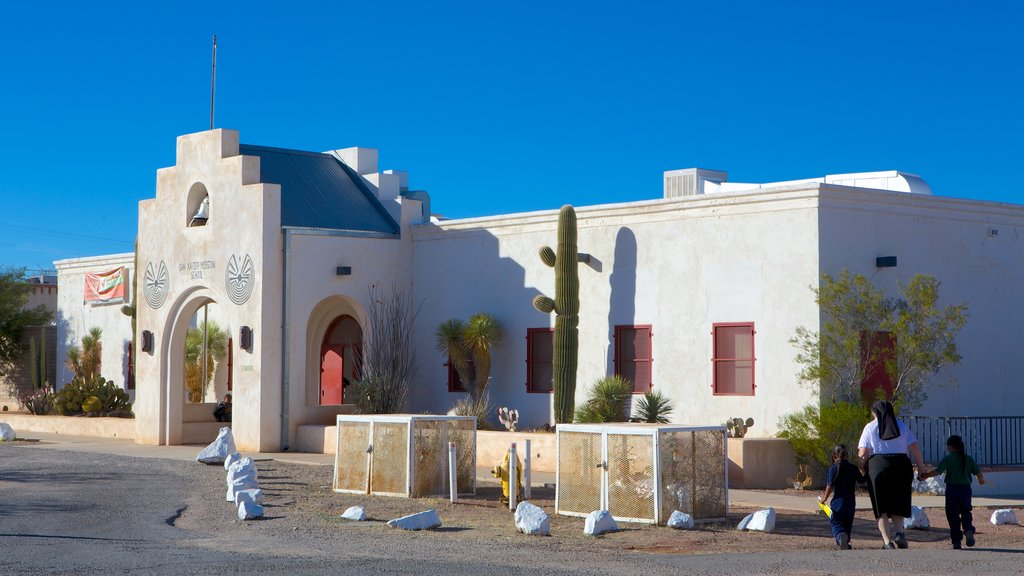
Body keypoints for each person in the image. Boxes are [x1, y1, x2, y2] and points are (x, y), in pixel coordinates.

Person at [857, 400, 926, 549]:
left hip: (878, 466)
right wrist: (921, 467)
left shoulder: (870, 427)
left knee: (880, 506)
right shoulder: (901, 425)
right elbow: (915, 448)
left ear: (875, 413)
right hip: (901, 465)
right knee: (898, 502)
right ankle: (900, 532)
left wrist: (862, 469)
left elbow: (863, 453)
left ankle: (887, 542)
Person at [919, 435, 986, 549]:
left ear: (950, 447)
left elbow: (937, 471)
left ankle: (956, 541)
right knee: (966, 511)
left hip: (952, 489)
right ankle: (968, 529)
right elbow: (978, 472)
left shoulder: (948, 459)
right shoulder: (968, 459)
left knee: (952, 514)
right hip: (965, 489)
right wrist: (981, 480)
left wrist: (925, 476)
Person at [819, 444, 865, 550]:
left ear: (835, 456)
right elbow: (862, 480)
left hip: (838, 501)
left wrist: (824, 499)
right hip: (851, 501)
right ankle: (845, 541)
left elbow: (829, 485)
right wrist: (865, 469)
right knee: (847, 522)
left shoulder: (833, 468)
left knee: (836, 522)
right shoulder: (853, 468)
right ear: (847, 455)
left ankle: (840, 537)